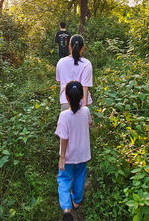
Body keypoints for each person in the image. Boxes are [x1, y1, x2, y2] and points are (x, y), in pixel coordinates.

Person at [56, 81, 92, 220]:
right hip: (82, 154)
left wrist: (62, 157)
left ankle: (66, 209)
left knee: (64, 180)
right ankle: (76, 202)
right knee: (80, 177)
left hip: (69, 156)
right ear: (82, 97)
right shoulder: (86, 111)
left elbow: (64, 138)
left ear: (66, 97)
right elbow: (90, 122)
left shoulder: (64, 115)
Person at [56, 34, 92, 111]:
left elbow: (60, 82)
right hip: (82, 103)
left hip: (66, 102)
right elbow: (85, 86)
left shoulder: (61, 62)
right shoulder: (86, 63)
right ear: (83, 48)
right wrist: (84, 105)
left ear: (69, 46)